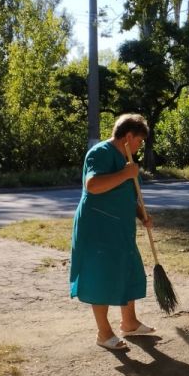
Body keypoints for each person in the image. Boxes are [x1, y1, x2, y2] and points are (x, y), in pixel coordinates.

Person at [70, 113, 156, 351]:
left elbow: (127, 193)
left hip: (120, 228)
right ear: (128, 136)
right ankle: (103, 333)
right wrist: (126, 173)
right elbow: (93, 185)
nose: (139, 147)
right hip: (97, 229)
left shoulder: (124, 157)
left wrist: (142, 215)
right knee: (102, 277)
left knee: (128, 271)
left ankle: (129, 323)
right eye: (139, 141)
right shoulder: (100, 153)